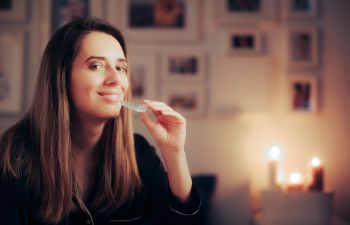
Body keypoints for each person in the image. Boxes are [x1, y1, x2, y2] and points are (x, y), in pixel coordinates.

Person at [0, 18, 201, 225]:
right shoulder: (13, 161)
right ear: (61, 77)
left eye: (121, 68)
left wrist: (175, 153)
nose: (116, 79)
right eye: (96, 65)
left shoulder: (140, 155)